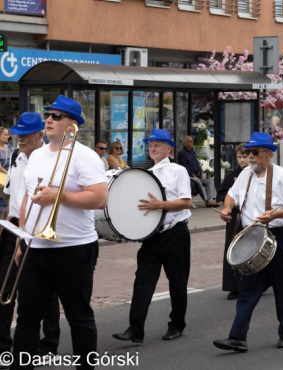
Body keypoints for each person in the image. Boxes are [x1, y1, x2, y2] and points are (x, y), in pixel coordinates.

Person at [12, 95, 108, 370]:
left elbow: (100, 198)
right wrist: (22, 238)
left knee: (79, 316)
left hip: (74, 248)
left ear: (72, 125)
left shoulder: (85, 156)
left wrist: (57, 196)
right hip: (35, 248)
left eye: (57, 116)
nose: (49, 120)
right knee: (27, 316)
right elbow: (27, 197)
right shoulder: (38, 155)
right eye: (48, 115)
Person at [214, 133, 283, 352]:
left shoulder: (281, 176)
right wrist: (227, 208)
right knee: (248, 288)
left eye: (255, 152)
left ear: (269, 154)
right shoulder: (246, 174)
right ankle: (237, 337)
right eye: (248, 152)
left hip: (278, 237)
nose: (250, 156)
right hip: (252, 237)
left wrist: (273, 216)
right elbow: (231, 195)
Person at [113, 129, 192, 344]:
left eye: (158, 144)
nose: (153, 148)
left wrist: (160, 205)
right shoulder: (147, 174)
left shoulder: (178, 171)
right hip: (152, 236)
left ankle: (177, 325)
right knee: (142, 282)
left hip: (175, 233)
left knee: (177, 282)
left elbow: (186, 202)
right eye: (151, 145)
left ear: (169, 149)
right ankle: (135, 329)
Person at [1, 113, 60, 365]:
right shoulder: (15, 156)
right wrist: (5, 225)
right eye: (17, 134)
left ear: (40, 135)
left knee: (41, 289)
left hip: (35, 228)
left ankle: (49, 343)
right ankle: (4, 344)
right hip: (13, 225)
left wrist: (23, 233)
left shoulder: (46, 160)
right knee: (4, 285)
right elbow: (11, 196)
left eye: (25, 134)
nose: (19, 138)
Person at [216, 143, 248, 300]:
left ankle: (253, 281)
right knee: (233, 249)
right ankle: (234, 285)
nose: (242, 160)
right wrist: (226, 207)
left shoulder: (254, 174)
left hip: (250, 216)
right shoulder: (232, 176)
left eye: (245, 157)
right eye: (239, 157)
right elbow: (222, 194)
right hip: (234, 217)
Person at [176, 135, 219, 208]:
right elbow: (184, 167)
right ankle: (207, 200)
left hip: (197, 175)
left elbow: (197, 163)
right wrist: (193, 176)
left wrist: (201, 172)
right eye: (191, 141)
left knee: (209, 181)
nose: (193, 142)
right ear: (185, 143)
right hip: (188, 176)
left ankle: (211, 199)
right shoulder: (182, 153)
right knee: (198, 182)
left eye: (193, 141)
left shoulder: (193, 152)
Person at [0, 127, 14, 217]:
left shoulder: (10, 148)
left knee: (8, 209)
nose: (8, 136)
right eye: (5, 135)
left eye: (8, 134)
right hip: (1, 182)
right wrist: (9, 174)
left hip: (8, 181)